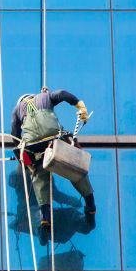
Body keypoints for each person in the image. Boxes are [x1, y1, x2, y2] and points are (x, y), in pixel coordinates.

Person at [11, 87, 94, 231]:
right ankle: (90, 202)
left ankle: (45, 217)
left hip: (32, 143)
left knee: (39, 174)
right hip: (54, 136)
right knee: (74, 167)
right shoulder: (46, 97)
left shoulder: (17, 109)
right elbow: (62, 94)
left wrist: (23, 155)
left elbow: (15, 135)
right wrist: (79, 105)